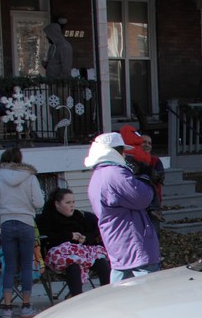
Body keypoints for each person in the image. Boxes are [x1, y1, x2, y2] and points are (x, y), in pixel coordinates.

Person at [84, 132, 161, 282]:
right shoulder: (115, 173)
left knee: (118, 295)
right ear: (113, 151)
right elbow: (142, 198)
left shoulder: (98, 174)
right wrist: (145, 179)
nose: (124, 154)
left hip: (117, 243)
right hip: (134, 242)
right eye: (121, 150)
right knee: (150, 294)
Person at [0, 147, 44, 318]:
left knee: (10, 266)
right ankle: (26, 306)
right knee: (27, 265)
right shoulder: (30, 178)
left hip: (6, 223)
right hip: (26, 222)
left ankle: (7, 307)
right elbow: (38, 202)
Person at [35, 188, 110, 297]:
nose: (72, 206)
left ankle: (107, 295)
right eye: (68, 203)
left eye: (73, 202)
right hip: (60, 256)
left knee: (102, 263)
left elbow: (95, 231)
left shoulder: (79, 216)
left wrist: (85, 238)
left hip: (83, 253)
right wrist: (69, 236)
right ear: (57, 204)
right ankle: (77, 299)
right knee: (73, 266)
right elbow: (46, 237)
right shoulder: (47, 218)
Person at [120, 125, 164, 236]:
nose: (147, 145)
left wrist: (145, 168)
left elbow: (159, 177)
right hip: (135, 203)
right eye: (144, 142)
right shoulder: (128, 157)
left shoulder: (155, 160)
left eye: (150, 143)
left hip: (153, 204)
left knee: (153, 234)